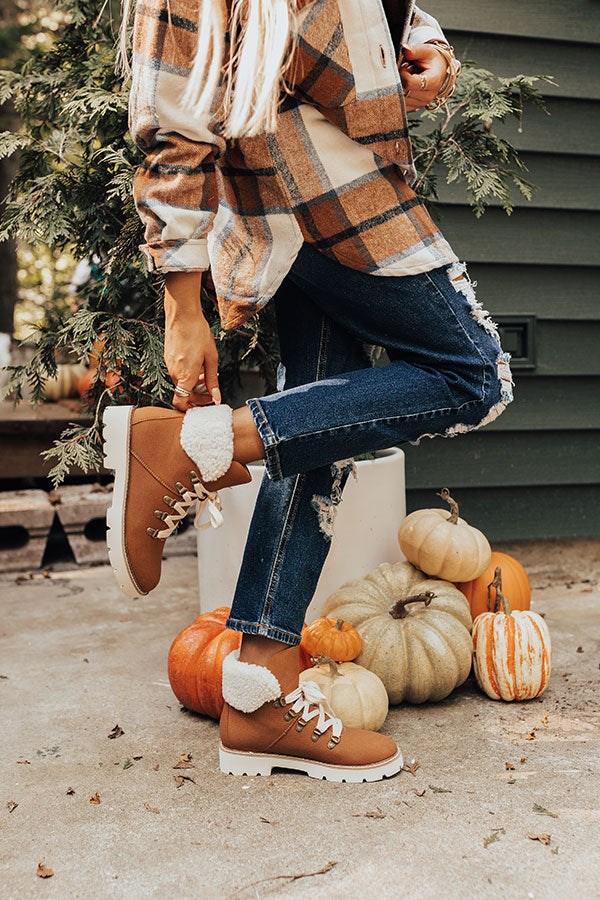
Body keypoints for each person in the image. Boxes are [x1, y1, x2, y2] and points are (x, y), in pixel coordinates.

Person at [106, 0, 514, 782]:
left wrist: (425, 48)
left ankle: (258, 698)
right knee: (474, 373)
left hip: (313, 201)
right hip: (327, 199)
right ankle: (187, 446)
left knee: (318, 447)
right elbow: (173, 115)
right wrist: (179, 304)